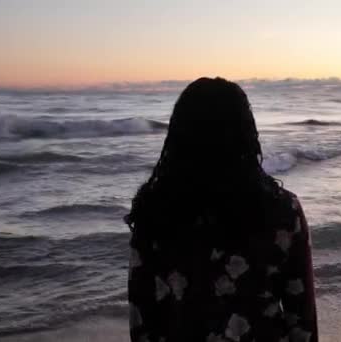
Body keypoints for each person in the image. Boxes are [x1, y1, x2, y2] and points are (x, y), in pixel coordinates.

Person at [125, 77, 318, 342]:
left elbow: (141, 319)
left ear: (179, 135)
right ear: (246, 134)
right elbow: (302, 320)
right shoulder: (283, 211)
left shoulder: (154, 211)